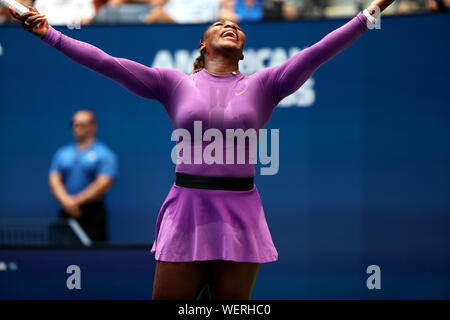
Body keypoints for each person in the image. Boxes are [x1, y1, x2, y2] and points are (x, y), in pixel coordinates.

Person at [9, 0, 395, 299]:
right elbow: (106, 62)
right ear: (202, 43)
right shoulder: (172, 83)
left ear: (242, 51)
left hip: (242, 213)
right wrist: (49, 33)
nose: (229, 25)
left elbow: (321, 50)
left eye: (236, 27)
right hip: (187, 208)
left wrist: (371, 12)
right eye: (219, 24)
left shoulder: (266, 84)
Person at [48, 110, 117, 243]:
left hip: (92, 214)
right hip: (66, 211)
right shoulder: (63, 153)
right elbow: (54, 178)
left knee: (94, 257)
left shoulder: (104, 154)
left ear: (93, 127)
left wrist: (77, 201)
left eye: (82, 124)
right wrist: (66, 201)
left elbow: (103, 183)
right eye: (75, 124)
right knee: (61, 255)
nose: (77, 128)